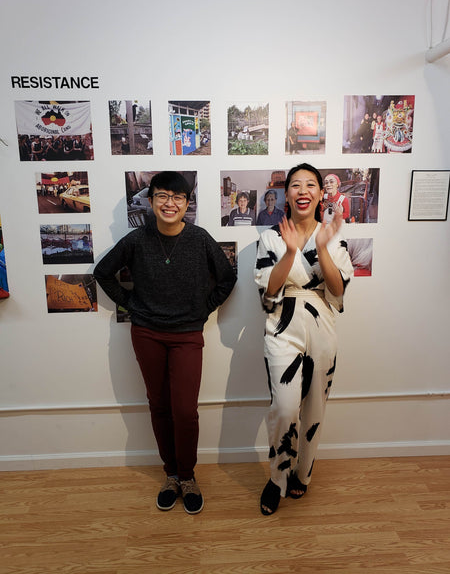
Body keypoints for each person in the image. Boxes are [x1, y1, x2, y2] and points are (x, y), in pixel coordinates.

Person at [94, 171, 236, 514]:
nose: (169, 203)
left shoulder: (200, 238)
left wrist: (204, 307)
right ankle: (170, 474)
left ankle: (188, 476)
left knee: (185, 411)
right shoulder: (136, 239)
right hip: (147, 333)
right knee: (158, 406)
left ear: (187, 204)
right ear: (151, 200)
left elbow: (228, 276)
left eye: (178, 197)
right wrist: (131, 306)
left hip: (187, 334)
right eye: (162, 196)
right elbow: (103, 272)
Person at [254, 163, 353, 516]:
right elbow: (269, 289)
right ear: (287, 194)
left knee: (314, 408)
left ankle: (303, 473)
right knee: (283, 408)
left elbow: (338, 290)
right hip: (282, 326)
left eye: (310, 185)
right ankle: (276, 479)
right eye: (295, 185)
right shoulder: (270, 237)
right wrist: (291, 252)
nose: (303, 191)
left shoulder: (333, 236)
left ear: (320, 194)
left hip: (321, 325)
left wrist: (322, 248)